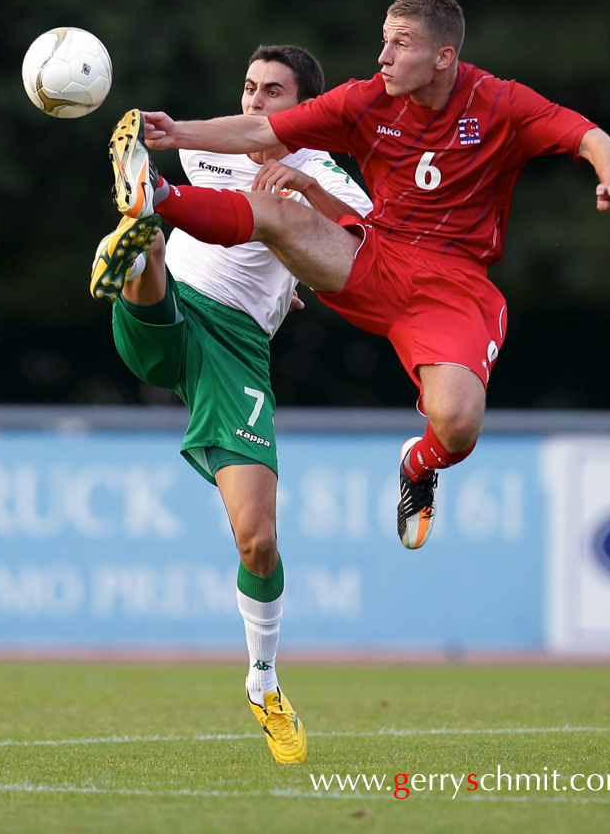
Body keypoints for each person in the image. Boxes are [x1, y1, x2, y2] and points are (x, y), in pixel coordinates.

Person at [108, 0, 610, 555]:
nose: (383, 58)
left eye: (401, 44)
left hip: (451, 287)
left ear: (443, 57)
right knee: (279, 213)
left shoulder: (500, 103)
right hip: (376, 260)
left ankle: (419, 462)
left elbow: (591, 137)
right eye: (383, 41)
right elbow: (261, 132)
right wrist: (176, 132)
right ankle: (155, 196)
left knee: (457, 423)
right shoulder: (365, 99)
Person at [90, 44, 373, 764]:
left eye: (271, 92)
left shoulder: (321, 172)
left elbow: (368, 240)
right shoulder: (218, 145)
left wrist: (305, 202)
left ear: (302, 107)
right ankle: (137, 240)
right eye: (248, 88)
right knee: (153, 236)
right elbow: (194, 136)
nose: (252, 103)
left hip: (236, 352)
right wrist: (165, 134)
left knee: (258, 539)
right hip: (176, 314)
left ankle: (262, 680)